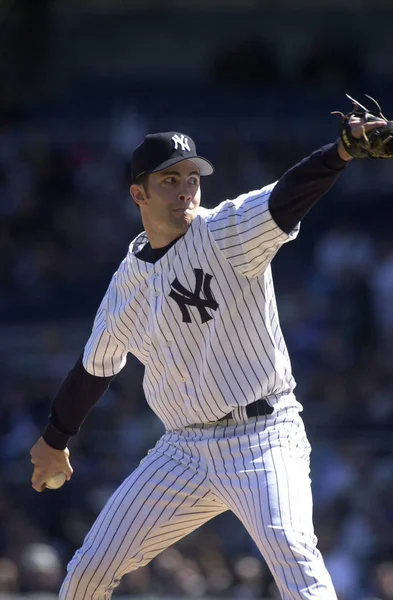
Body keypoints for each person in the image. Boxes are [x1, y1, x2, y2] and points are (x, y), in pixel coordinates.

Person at [30, 115, 386, 599]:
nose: (186, 190)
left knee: (294, 554)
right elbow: (97, 366)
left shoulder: (226, 232)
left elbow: (285, 197)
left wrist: (339, 153)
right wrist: (55, 439)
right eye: (170, 180)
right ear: (140, 195)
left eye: (193, 179)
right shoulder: (128, 282)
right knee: (88, 570)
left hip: (263, 436)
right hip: (182, 451)